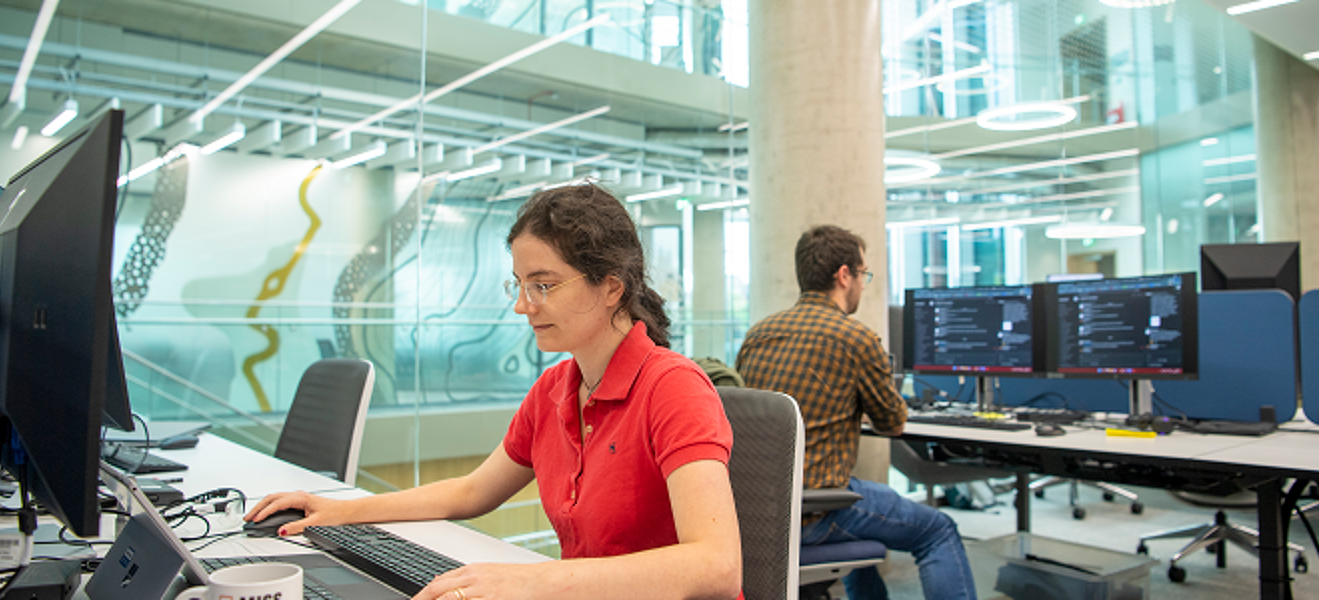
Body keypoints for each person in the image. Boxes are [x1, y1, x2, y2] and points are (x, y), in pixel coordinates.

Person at [247, 184, 742, 600]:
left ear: (611, 287)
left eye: (543, 286)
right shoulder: (554, 390)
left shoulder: (672, 388)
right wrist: (338, 511)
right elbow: (471, 491)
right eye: (519, 285)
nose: (523, 307)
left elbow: (717, 566)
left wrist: (536, 579)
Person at [735, 225, 976, 600]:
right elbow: (893, 423)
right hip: (816, 509)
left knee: (865, 514)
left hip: (761, 509)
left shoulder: (758, 334)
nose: (864, 284)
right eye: (863, 274)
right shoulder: (855, 338)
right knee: (937, 530)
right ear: (844, 275)